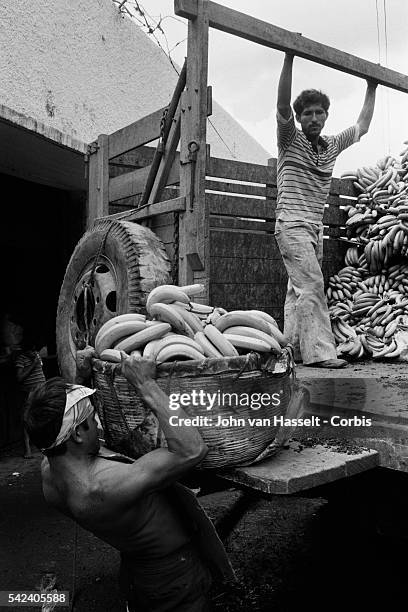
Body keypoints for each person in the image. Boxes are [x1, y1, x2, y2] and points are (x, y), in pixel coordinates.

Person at [24, 351, 234, 611]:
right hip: (171, 573)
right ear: (77, 433)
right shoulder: (102, 487)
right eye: (92, 419)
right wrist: (145, 384)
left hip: (138, 567)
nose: (98, 424)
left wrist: (80, 378)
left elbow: (61, 426)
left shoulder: (50, 472)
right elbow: (191, 449)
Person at [275, 53, 377, 368]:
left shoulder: (332, 145)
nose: (314, 118)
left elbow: (362, 126)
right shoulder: (290, 140)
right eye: (307, 113)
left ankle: (289, 350)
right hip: (291, 225)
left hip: (313, 229)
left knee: (297, 293)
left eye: (320, 113)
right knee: (312, 287)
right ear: (299, 118)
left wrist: (371, 87)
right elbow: (281, 105)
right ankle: (320, 354)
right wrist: (289, 56)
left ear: (326, 116)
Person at [15, 328, 46, 457]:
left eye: (34, 350)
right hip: (29, 393)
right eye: (31, 350)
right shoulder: (21, 359)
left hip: (41, 390)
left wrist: (37, 359)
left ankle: (42, 444)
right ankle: (27, 450)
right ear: (25, 350)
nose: (33, 352)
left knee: (41, 417)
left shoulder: (36, 355)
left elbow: (41, 368)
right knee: (27, 418)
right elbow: (19, 378)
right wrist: (33, 364)